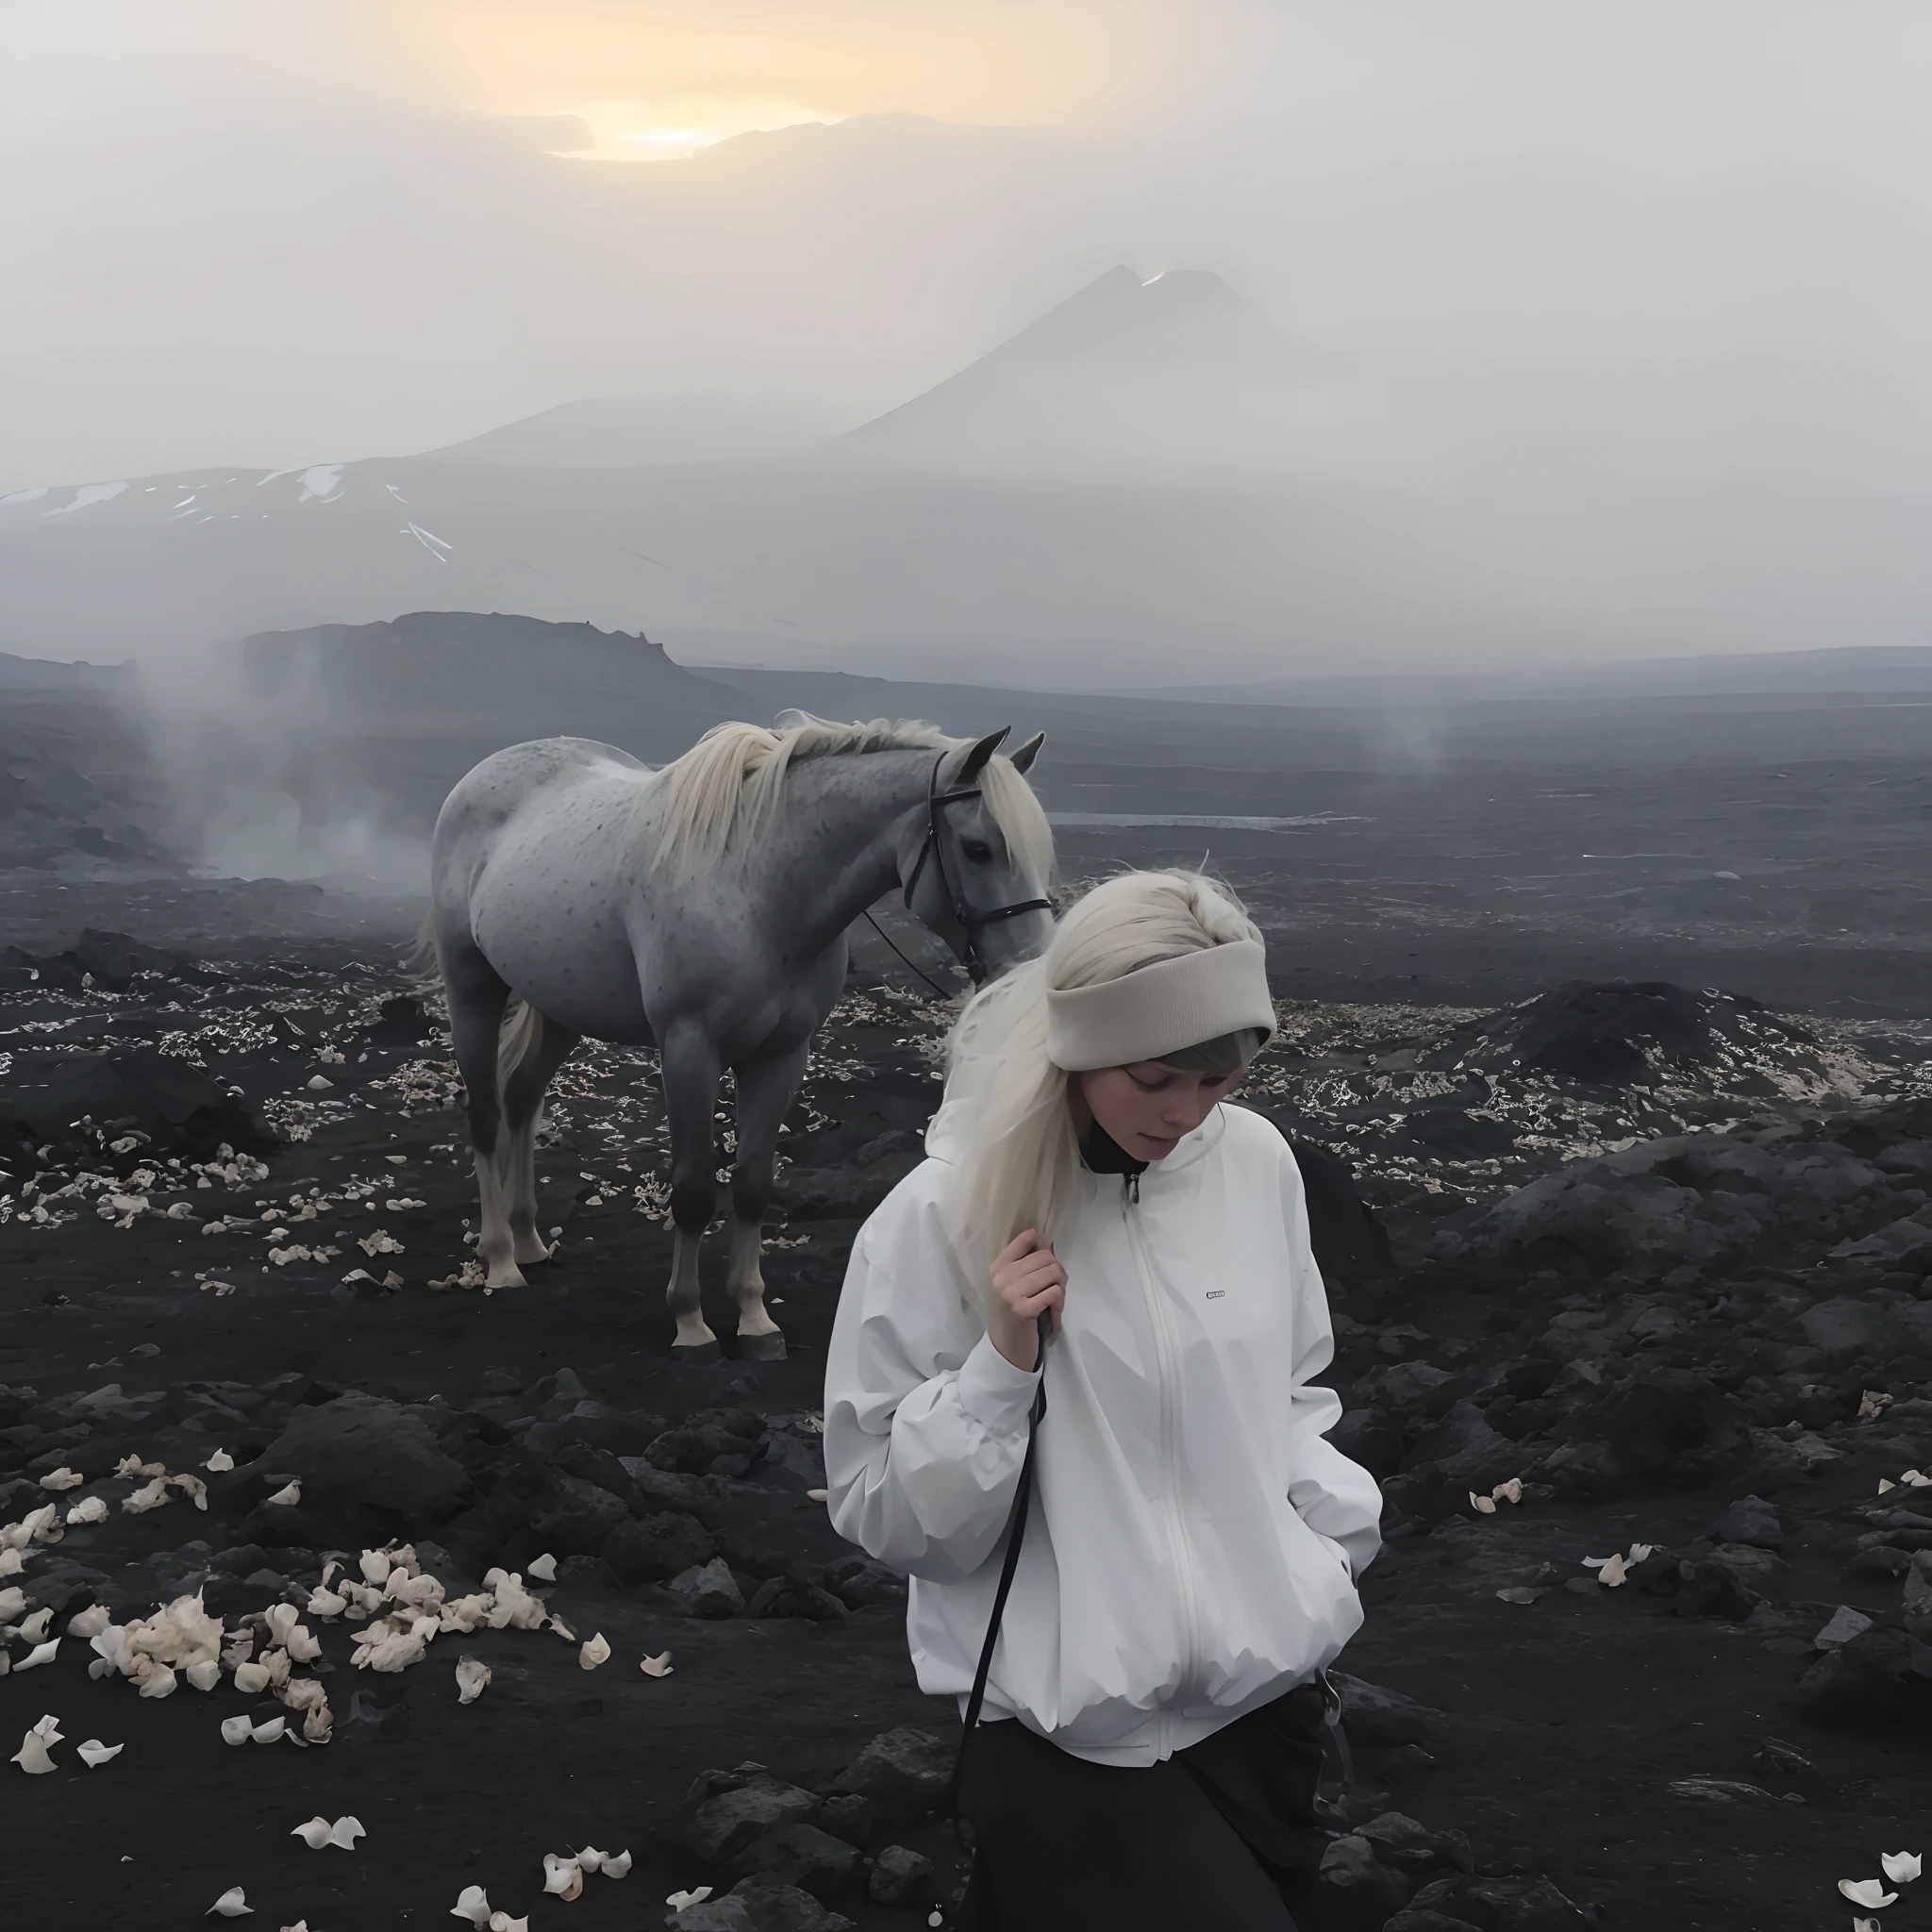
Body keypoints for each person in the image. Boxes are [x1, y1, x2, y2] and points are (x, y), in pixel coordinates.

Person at [823, 869, 1383, 1931]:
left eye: (1222, 1078)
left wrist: (1320, 1551)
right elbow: (883, 1513)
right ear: (1075, 1048)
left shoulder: (1253, 1163)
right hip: (1060, 1735)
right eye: (1158, 1078)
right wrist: (997, 1369)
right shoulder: (943, 1213)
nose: (1187, 1113)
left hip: (1263, 1707)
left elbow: (1294, 1390)